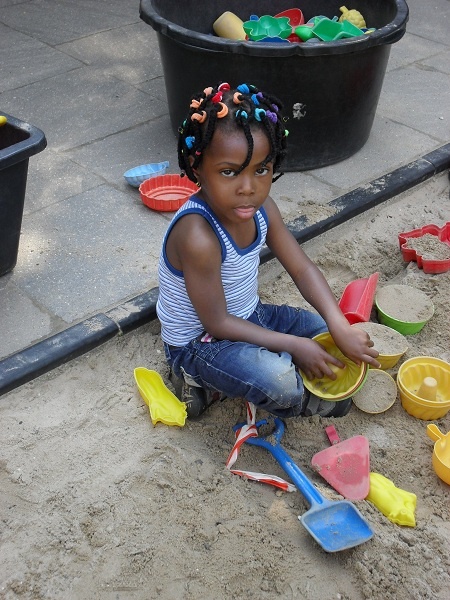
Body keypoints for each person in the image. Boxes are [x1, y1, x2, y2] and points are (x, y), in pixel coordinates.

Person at [156, 82, 380, 419]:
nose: (248, 188)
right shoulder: (198, 236)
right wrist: (294, 346)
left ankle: (271, 369)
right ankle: (191, 377)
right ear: (196, 165)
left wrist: (339, 325)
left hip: (250, 315)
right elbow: (217, 323)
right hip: (200, 343)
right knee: (282, 383)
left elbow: (302, 269)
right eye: (229, 172)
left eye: (261, 169)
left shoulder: (263, 209)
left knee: (324, 332)